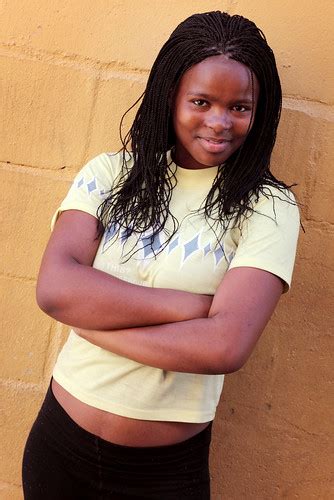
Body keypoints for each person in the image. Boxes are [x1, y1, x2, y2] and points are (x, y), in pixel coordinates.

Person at [22, 10, 300, 500]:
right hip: (58, 447)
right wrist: (189, 307)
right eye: (201, 101)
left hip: (164, 474)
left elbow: (224, 347)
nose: (220, 122)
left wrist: (89, 323)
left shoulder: (268, 207)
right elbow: (57, 289)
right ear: (170, 96)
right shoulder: (111, 175)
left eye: (239, 107)